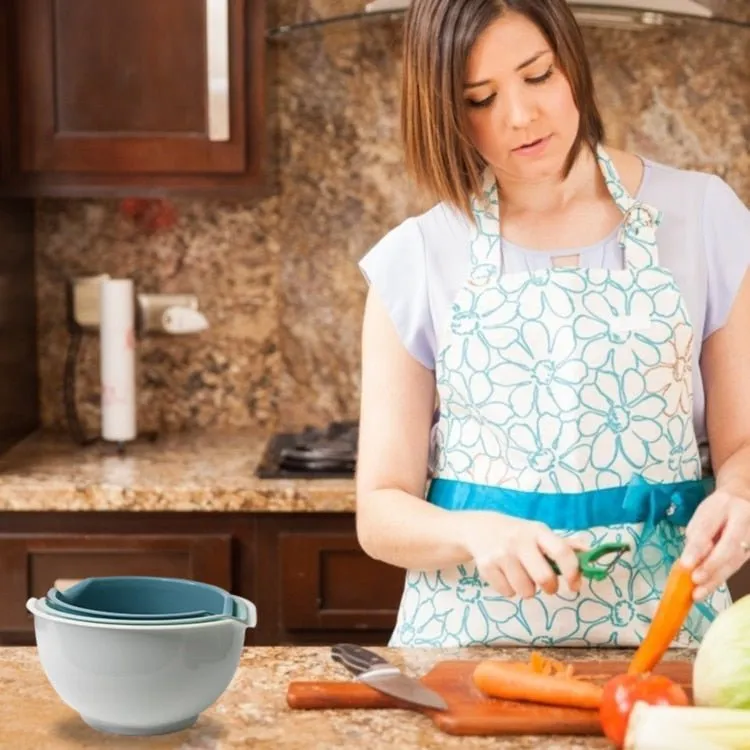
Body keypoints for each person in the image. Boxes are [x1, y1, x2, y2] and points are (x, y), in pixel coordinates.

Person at [355, 0, 750, 649]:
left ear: (570, 61)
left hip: (668, 635)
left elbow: (742, 447)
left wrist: (738, 499)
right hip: (465, 647)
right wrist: (474, 532)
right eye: (479, 98)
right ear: (446, 112)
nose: (521, 115)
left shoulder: (702, 216)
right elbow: (379, 511)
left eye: (537, 75)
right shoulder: (421, 255)